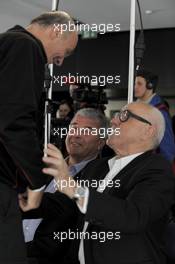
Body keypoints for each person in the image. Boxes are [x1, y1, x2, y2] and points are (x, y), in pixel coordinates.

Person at [43, 102, 175, 264]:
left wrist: (73, 187)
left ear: (147, 131)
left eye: (124, 116)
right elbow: (69, 206)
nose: (113, 121)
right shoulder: (97, 166)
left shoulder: (157, 168)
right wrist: (29, 201)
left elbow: (133, 215)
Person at [0, 11, 78, 263]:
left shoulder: (8, 43)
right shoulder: (25, 47)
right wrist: (36, 183)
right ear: (57, 31)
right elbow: (14, 122)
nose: (61, 61)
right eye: (66, 52)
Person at [23, 108, 107, 264]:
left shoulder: (99, 177)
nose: (76, 134)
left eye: (87, 131)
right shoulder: (46, 166)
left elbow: (59, 240)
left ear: (100, 143)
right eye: (74, 127)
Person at [134, 69, 175, 162]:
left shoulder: (159, 111)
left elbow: (168, 148)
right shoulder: (136, 106)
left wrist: (161, 171)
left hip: (152, 165)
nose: (135, 87)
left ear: (150, 86)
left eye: (139, 84)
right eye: (135, 84)